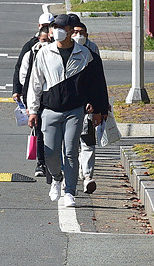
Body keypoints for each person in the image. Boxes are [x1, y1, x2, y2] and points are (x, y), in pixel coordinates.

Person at [27, 14, 109, 208]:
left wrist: (98, 109)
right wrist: (33, 110)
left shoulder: (85, 54)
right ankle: (56, 178)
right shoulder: (44, 53)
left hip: (75, 111)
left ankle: (70, 191)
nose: (57, 31)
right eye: (55, 27)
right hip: (50, 110)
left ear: (72, 31)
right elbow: (35, 83)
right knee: (51, 153)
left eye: (62, 27)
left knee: (71, 151)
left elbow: (96, 84)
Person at [13, 25, 51, 178]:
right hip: (36, 99)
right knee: (39, 132)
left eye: (49, 40)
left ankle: (55, 163)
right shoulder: (31, 53)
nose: (46, 44)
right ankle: (41, 162)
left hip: (53, 99)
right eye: (43, 40)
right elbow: (23, 76)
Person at [71, 17, 103, 195]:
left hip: (88, 107)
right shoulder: (61, 50)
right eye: (75, 32)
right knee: (71, 144)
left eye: (82, 33)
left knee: (88, 142)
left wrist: (101, 106)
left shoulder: (92, 50)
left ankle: (88, 176)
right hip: (69, 106)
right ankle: (69, 178)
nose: (78, 36)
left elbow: (98, 80)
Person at [14, 13, 55, 90]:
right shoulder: (31, 45)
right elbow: (20, 67)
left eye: (48, 26)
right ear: (39, 26)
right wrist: (17, 90)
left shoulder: (59, 44)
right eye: (44, 25)